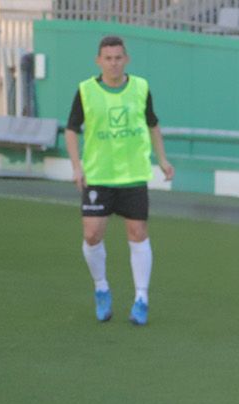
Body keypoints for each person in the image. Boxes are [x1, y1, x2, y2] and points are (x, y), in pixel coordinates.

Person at [62, 35, 174, 326]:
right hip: (98, 176)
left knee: (137, 233)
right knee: (91, 235)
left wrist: (162, 159)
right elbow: (71, 130)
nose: (113, 63)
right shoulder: (86, 90)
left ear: (126, 59)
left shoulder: (140, 88)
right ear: (99, 61)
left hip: (133, 174)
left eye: (118, 57)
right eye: (108, 58)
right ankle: (101, 288)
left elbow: (153, 123)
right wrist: (76, 166)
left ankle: (141, 299)